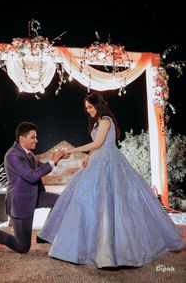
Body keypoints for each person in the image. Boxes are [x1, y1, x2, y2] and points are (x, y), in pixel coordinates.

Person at [37, 92, 184, 268]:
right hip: (98, 160)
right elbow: (97, 146)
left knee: (115, 203)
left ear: (98, 105)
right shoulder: (98, 121)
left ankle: (118, 251)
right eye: (87, 108)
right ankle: (85, 245)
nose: (88, 111)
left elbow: (99, 143)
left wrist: (73, 150)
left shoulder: (106, 120)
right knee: (87, 199)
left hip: (110, 161)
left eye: (90, 107)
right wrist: (88, 156)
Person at [0, 121, 65, 253]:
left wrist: (58, 158)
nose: (37, 140)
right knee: (22, 247)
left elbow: (39, 166)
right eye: (33, 137)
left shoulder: (28, 152)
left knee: (60, 201)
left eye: (36, 137)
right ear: (22, 138)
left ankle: (44, 234)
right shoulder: (12, 156)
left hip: (35, 195)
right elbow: (31, 176)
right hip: (20, 202)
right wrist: (52, 161)